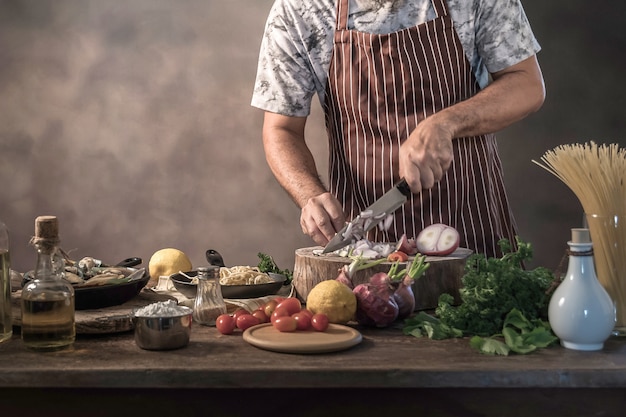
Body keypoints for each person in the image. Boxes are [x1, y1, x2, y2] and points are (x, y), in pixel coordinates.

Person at [251, 0, 545, 258]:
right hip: (366, 252)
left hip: (473, 230)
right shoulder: (300, 10)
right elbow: (281, 130)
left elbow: (526, 84)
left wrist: (446, 123)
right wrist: (309, 194)